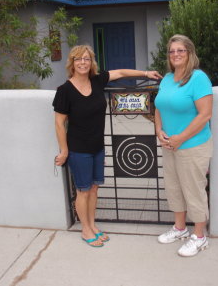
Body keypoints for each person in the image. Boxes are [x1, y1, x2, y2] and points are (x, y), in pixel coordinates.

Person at [53, 45, 162, 248]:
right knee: (83, 190)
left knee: (94, 188)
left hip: (97, 147)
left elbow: (120, 72)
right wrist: (64, 150)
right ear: (72, 63)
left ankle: (92, 225)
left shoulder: (97, 81)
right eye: (78, 59)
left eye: (86, 59)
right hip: (78, 149)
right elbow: (59, 123)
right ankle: (85, 229)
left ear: (91, 62)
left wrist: (146, 73)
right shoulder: (64, 91)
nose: (83, 62)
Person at [154, 34, 213, 257]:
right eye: (172, 51)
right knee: (174, 187)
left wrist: (181, 137)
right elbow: (159, 107)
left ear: (189, 53)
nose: (176, 54)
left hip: (193, 145)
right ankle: (180, 228)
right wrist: (159, 130)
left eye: (181, 50)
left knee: (194, 189)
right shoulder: (167, 78)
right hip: (170, 145)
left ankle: (199, 236)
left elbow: (205, 114)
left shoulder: (198, 78)